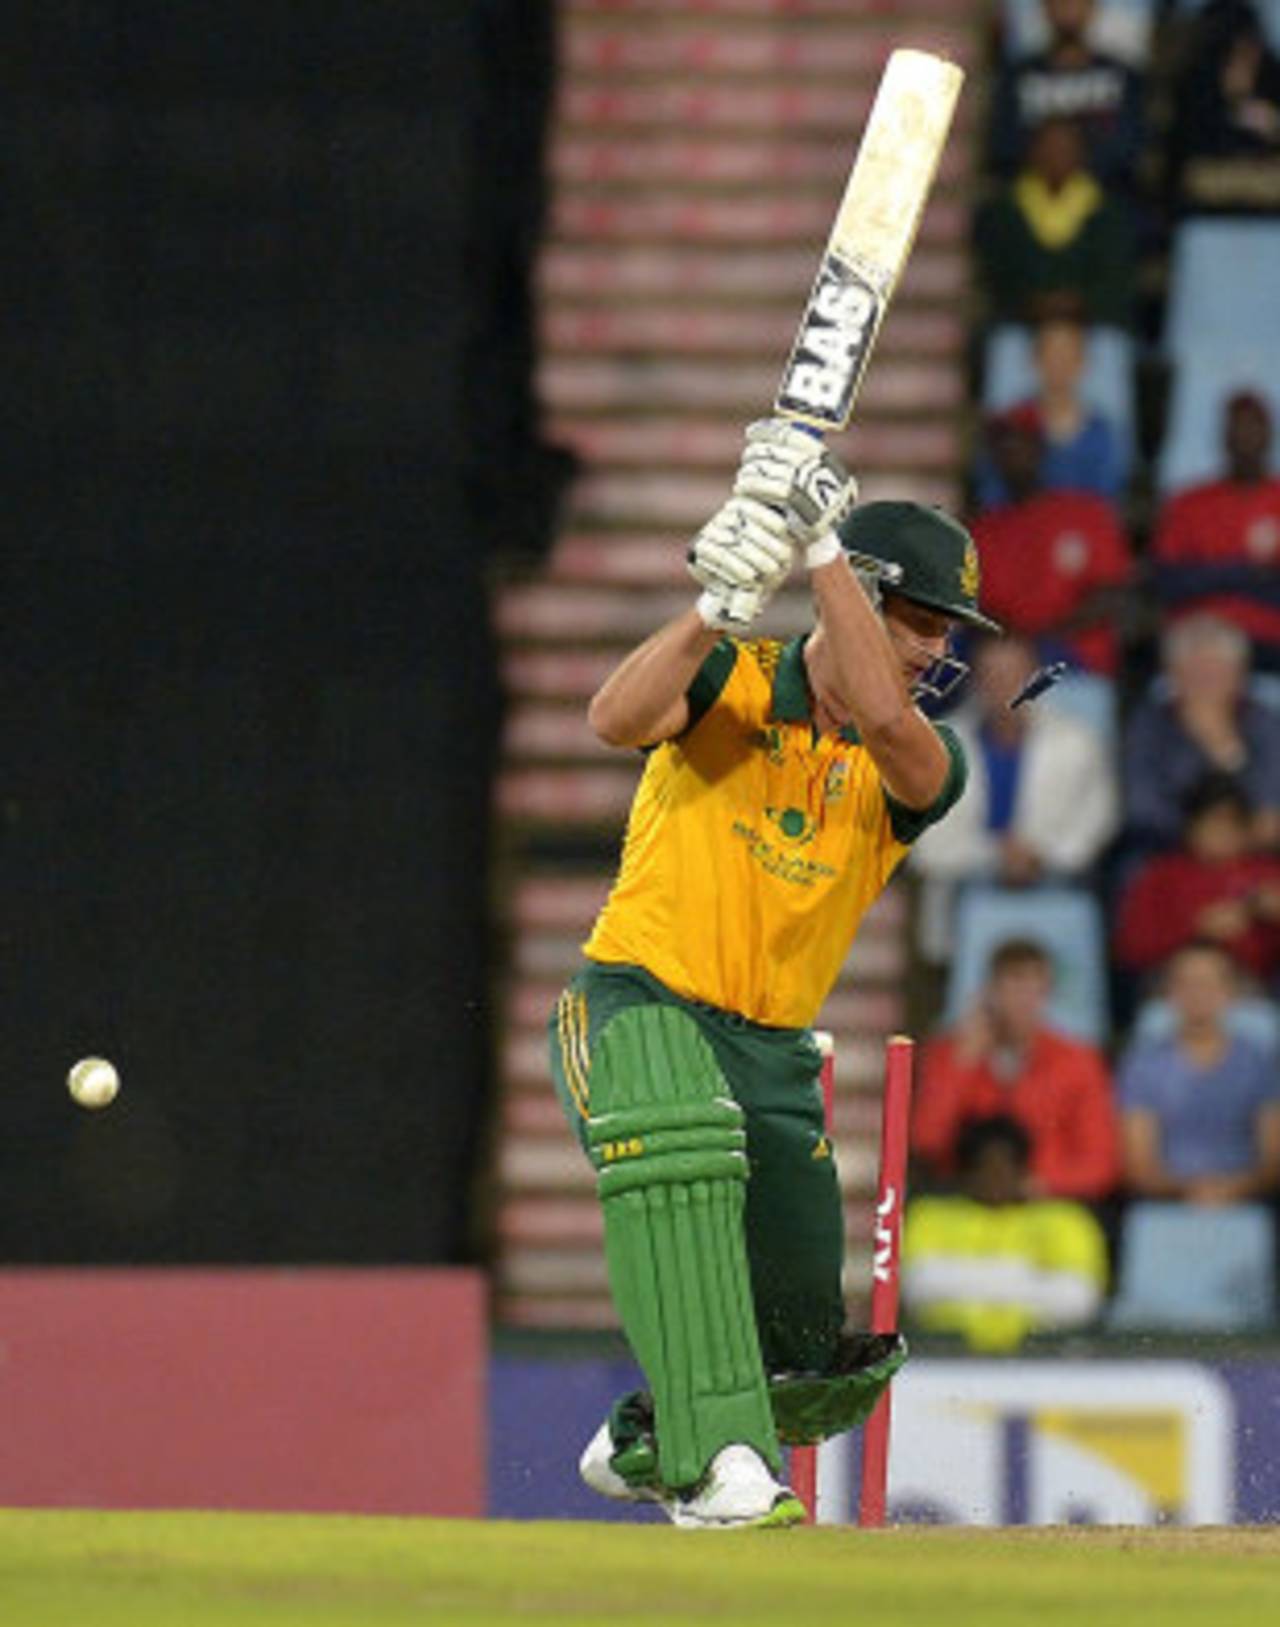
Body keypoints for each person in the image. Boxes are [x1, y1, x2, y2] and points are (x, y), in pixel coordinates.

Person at [546, 420, 1000, 1529]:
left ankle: (650, 1435)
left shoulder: (920, 767)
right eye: (923, 624)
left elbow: (889, 716)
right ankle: (719, 1472)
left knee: (804, 1358)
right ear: (870, 603)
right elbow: (611, 718)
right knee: (683, 1163)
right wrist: (716, 602)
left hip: (775, 1050)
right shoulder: (732, 680)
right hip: (638, 1000)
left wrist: (821, 547)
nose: (933, 653)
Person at [909, 632, 1119, 961]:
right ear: (975, 679)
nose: (1004, 685)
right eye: (993, 674)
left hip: (1055, 891)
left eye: (1015, 674)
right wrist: (995, 855)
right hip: (964, 898)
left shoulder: (1077, 742)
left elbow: (1097, 819)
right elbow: (923, 839)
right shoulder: (938, 743)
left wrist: (1041, 854)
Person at [913, 937, 1121, 1202]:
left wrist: (1040, 1184)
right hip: (964, 1203)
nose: (1024, 1001)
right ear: (990, 992)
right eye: (1013, 987)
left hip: (1049, 1204)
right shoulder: (949, 1054)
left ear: (1048, 994)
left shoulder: (1078, 1062)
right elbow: (927, 1142)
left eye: (1034, 989)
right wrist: (963, 1063)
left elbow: (1100, 1165)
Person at [901, 1114, 1109, 1352]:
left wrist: (962, 1281)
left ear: (1024, 1170)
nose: (995, 1179)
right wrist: (1029, 1277)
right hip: (945, 1358)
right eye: (985, 1168)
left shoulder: (1066, 1219)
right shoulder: (929, 1217)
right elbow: (920, 1288)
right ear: (966, 1173)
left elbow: (1077, 1299)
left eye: (1005, 1168)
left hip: (1046, 1360)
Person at [969, 404, 1135, 674]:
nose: (1012, 455)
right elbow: (979, 611)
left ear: (1040, 450)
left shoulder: (1088, 513)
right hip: (1010, 670)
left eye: (1020, 444)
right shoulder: (982, 530)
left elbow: (1112, 593)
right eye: (1002, 448)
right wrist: (1023, 647)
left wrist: (1048, 639)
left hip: (1078, 663)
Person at [1118, 939, 1280, 1204]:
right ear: (1169, 992)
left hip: (1250, 1202)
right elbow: (1139, 1165)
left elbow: (1273, 1160)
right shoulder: (1142, 1065)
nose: (1198, 994)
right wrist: (1187, 1191)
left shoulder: (1259, 1063)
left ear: (1231, 991)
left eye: (1209, 983)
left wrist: (1232, 1190)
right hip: (1166, 1203)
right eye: (1186, 983)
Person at [1121, 612, 1280, 857]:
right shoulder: (1149, 726)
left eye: (1218, 672)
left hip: (1259, 851)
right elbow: (1141, 804)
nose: (1208, 682)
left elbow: (1271, 798)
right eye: (1196, 672)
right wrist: (1203, 833)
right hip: (1170, 850)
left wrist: (1222, 743)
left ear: (1241, 675)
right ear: (1173, 675)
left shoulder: (1264, 721)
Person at [1150, 391, 1280, 670]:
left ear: (1270, 435)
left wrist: (1210, 576)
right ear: (1223, 437)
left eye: (1254, 427)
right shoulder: (1187, 502)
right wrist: (1246, 573)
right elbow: (1168, 585)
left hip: (1270, 643)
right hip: (1198, 642)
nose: (1245, 437)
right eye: (1237, 428)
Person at [1114, 774, 1280, 990]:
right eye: (1211, 823)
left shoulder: (1268, 874)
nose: (1221, 834)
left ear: (1247, 828)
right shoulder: (1161, 876)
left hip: (1254, 994)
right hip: (1177, 993)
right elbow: (1131, 949)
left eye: (1231, 824)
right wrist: (1197, 930)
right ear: (1191, 827)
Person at [975, 116, 1137, 329]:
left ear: (1082, 154)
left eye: (1066, 147)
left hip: (1092, 325)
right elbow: (997, 274)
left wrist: (1077, 305)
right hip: (1021, 322)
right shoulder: (1005, 209)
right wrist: (1035, 305)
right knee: (1006, 345)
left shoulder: (1107, 211)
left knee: (1109, 347)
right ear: (1032, 151)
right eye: (1048, 146)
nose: (1056, 155)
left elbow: (1116, 280)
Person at [988, 0, 1147, 190]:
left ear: (1093, 7)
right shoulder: (1017, 77)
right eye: (1060, 2)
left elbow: (1131, 151)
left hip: (1106, 205)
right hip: (1032, 203)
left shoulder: (1123, 76)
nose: (1069, 8)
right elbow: (1003, 148)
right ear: (1044, 7)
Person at [972, 317, 1126, 509]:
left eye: (1069, 355)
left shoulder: (1102, 431)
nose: (1059, 364)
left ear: (1083, 363)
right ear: (1034, 360)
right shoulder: (1008, 425)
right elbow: (991, 497)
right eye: (1051, 354)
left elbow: (1106, 502)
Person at [1166, 0, 1280, 216]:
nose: (1244, 54)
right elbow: (1189, 148)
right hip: (1210, 192)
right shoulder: (1195, 85)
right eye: (1233, 49)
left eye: (1249, 46)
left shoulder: (1272, 78)